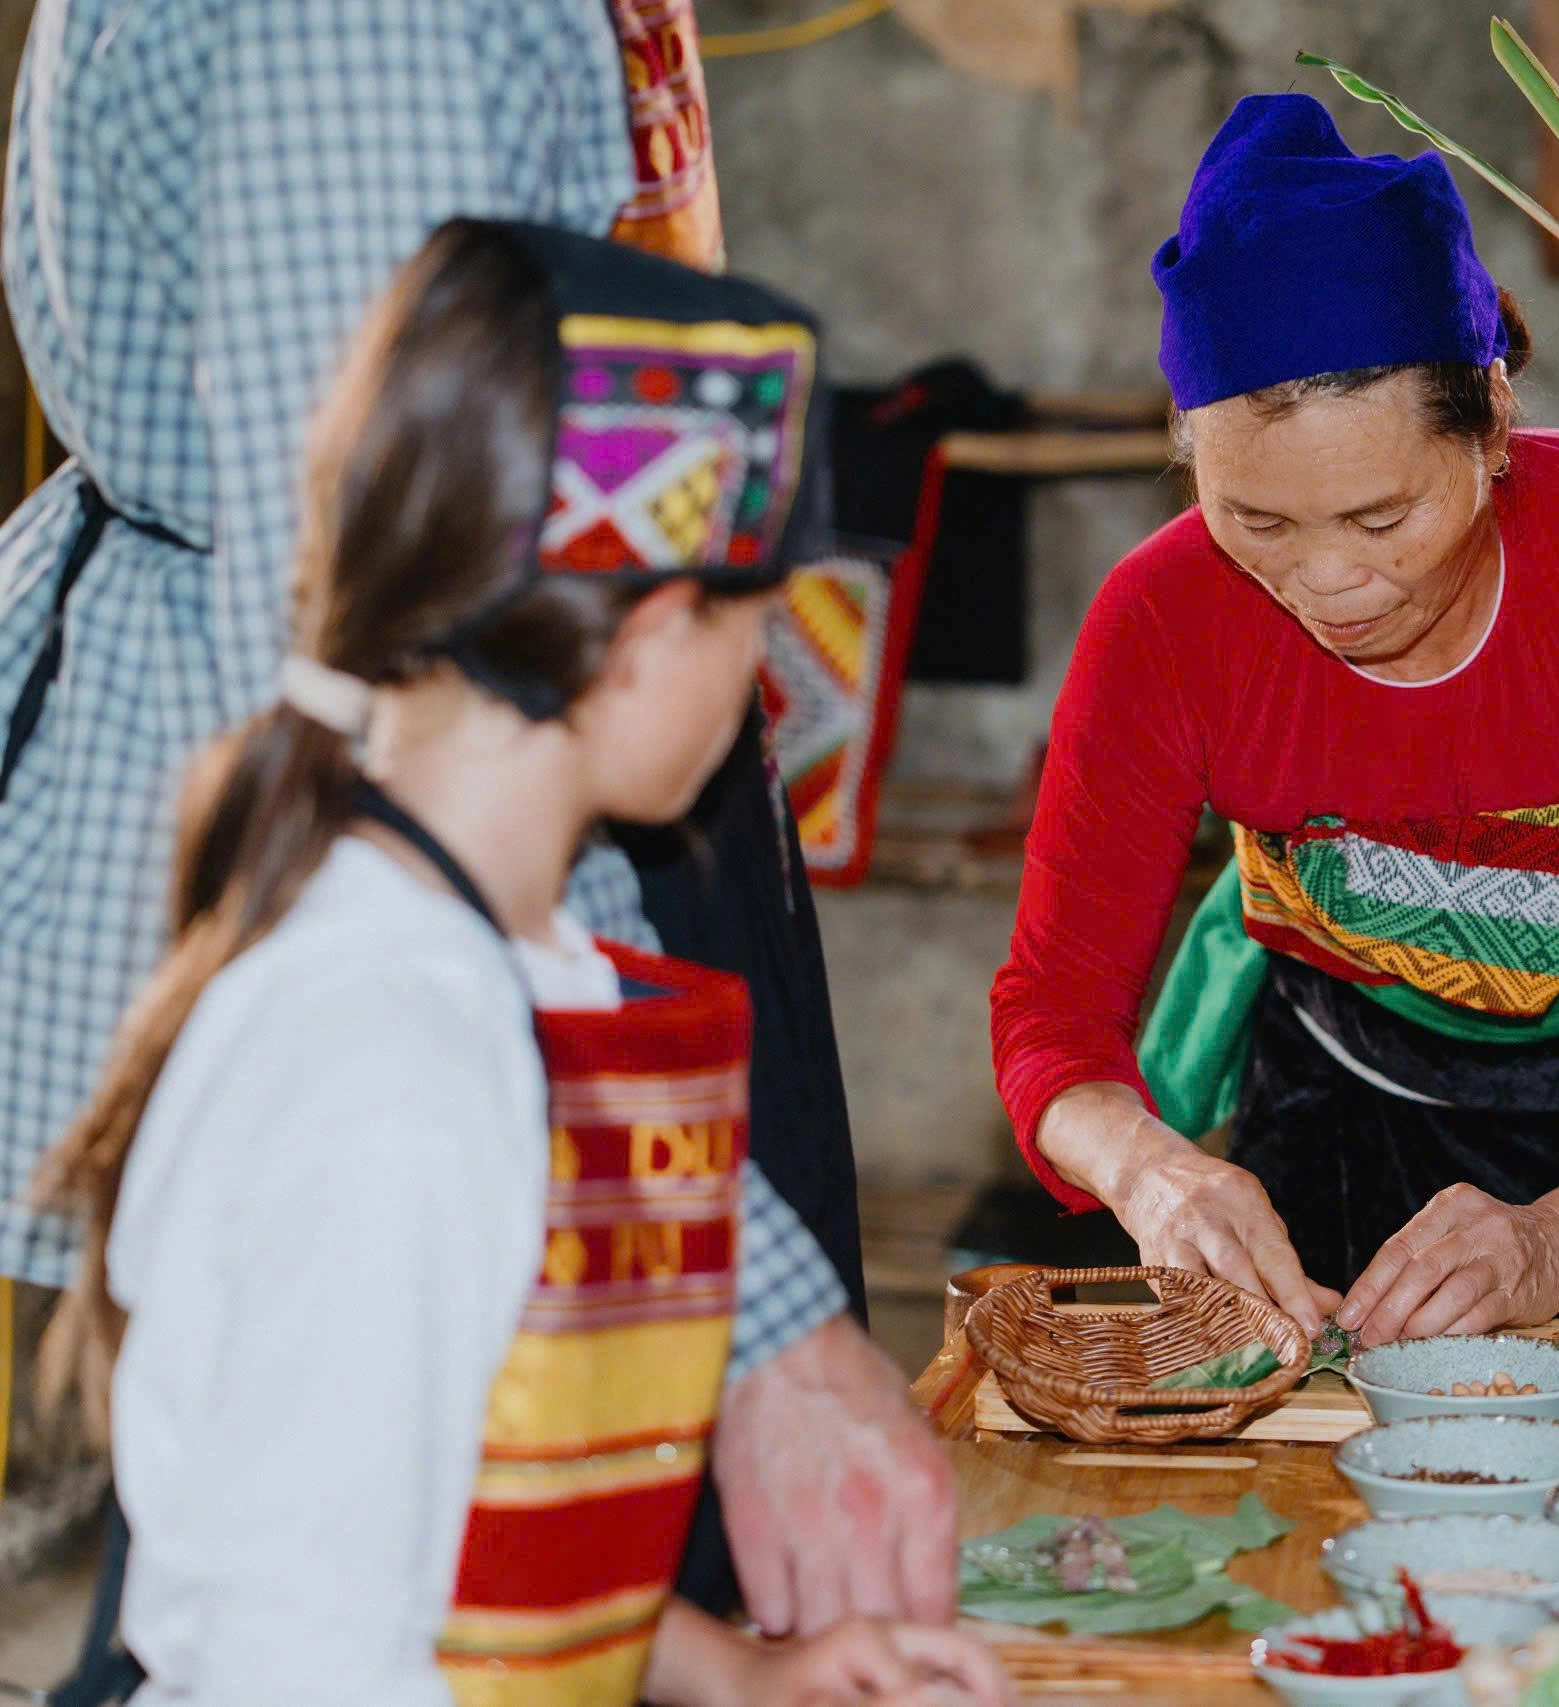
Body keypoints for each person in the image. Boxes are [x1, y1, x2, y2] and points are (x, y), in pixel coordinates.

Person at [0, 0, 949, 1630]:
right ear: (637, 634)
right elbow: (323, 1630)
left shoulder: (466, 950)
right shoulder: (397, 1044)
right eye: (749, 624)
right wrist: (762, 1324)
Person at [988, 94, 1559, 1345]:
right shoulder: (1163, 620)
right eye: (1257, 522)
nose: (1328, 582)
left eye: (1379, 519)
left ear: (1494, 428)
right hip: (1344, 1105)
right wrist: (1150, 1171)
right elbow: (1051, 1017)